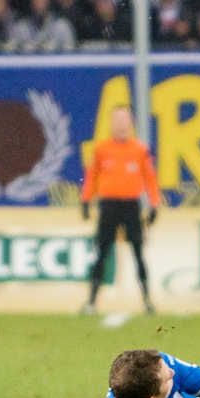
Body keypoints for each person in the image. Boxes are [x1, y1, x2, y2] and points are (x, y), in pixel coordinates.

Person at [81, 106, 160, 315]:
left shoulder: (139, 150)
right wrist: (86, 200)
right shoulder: (102, 149)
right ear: (111, 123)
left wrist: (154, 204)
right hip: (108, 205)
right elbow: (92, 176)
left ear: (131, 122)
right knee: (102, 252)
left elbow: (149, 178)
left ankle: (147, 300)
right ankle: (91, 301)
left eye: (125, 119)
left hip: (131, 206)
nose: (121, 124)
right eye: (117, 119)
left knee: (138, 252)